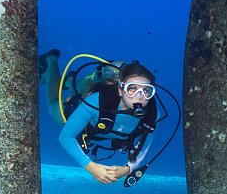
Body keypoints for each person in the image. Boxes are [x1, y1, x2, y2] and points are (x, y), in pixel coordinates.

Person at [39, 52, 159, 185]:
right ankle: (52, 60)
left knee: (78, 93)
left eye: (146, 90)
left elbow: (143, 147)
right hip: (84, 113)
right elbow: (66, 136)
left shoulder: (152, 115)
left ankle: (71, 83)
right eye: (132, 88)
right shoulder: (96, 101)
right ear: (120, 90)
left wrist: (127, 169)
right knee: (53, 105)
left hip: (98, 127)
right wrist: (90, 166)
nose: (140, 96)